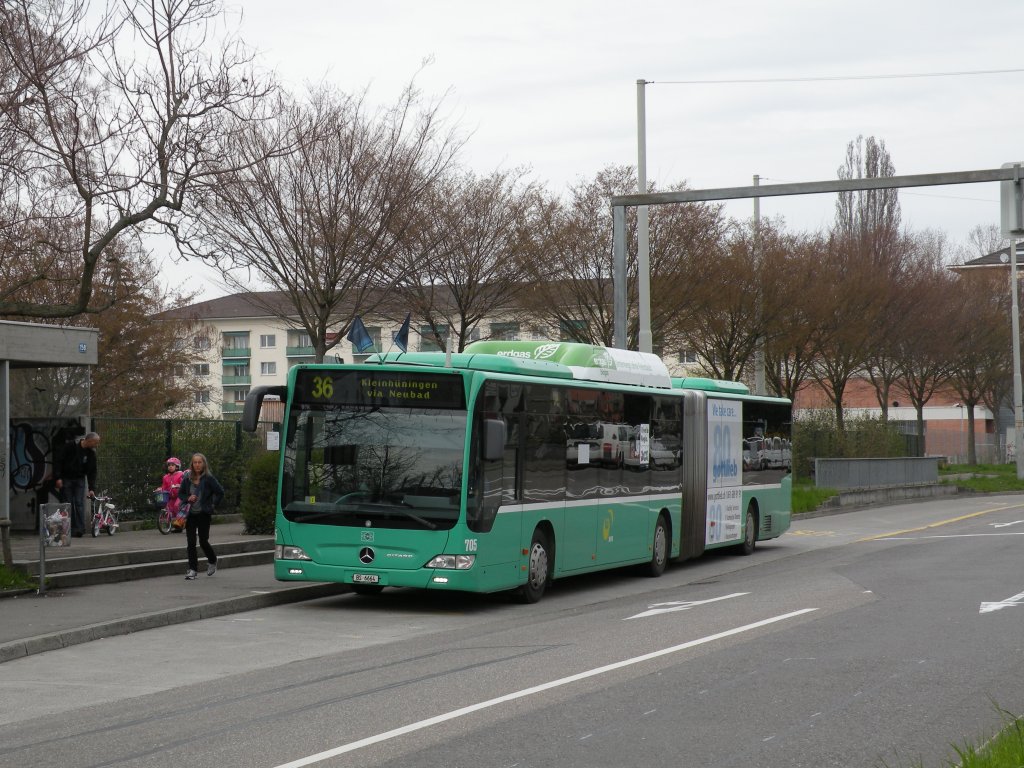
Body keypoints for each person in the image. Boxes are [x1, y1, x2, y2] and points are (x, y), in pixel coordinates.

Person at [178, 452, 224, 580]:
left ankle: (212, 560)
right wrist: (188, 498)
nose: (197, 465)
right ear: (192, 464)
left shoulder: (208, 478)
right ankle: (192, 569)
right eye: (195, 462)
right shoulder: (187, 478)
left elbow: (220, 492)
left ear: (204, 464)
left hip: (204, 514)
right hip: (191, 514)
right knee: (191, 542)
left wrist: (213, 505)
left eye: (199, 462)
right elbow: (181, 494)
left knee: (203, 541)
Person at [54, 431, 101, 537]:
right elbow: (59, 461)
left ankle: (80, 528)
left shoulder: (91, 454)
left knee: (79, 503)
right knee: (68, 503)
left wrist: (91, 488)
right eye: (95, 442)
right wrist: (58, 477)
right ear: (90, 441)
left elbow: (92, 471)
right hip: (67, 478)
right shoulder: (70, 446)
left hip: (79, 479)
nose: (96, 445)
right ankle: (68, 528)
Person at [157, 457, 185, 531]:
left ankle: (181, 522)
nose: (170, 467)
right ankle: (175, 525)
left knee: (176, 506)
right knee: (169, 508)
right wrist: (160, 489)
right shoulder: (165, 477)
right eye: (169, 465)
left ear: (177, 467)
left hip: (180, 495)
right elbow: (164, 487)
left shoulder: (181, 474)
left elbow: (184, 484)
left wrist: (179, 485)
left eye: (172, 465)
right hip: (171, 496)